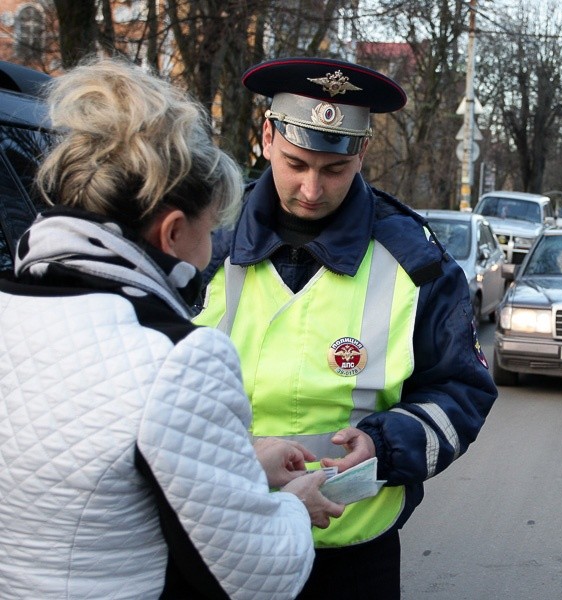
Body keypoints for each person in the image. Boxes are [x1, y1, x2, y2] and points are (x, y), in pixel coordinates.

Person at [0, 57, 343, 600]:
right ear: (174, 232)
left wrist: (240, 465)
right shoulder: (175, 356)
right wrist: (291, 508)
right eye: (210, 232)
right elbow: (257, 574)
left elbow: (96, 469)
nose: (212, 254)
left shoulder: (11, 305)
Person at [194, 56, 498, 599]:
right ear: (266, 136)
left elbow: (461, 389)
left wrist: (385, 446)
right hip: (219, 539)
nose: (312, 189)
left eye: (333, 170)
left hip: (353, 553)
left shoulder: (416, 261)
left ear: (360, 152)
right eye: (296, 164)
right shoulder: (204, 245)